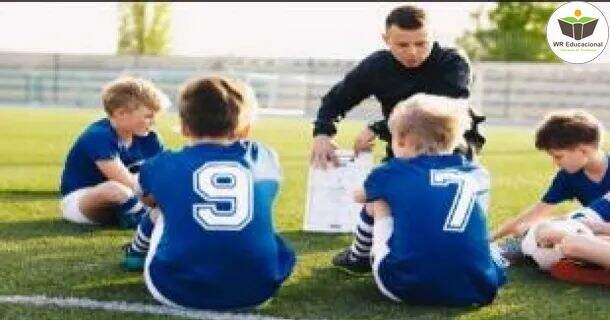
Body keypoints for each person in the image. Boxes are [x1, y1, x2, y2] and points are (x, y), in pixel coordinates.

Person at [122, 76, 296, 311]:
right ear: (240, 123)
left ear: (184, 126)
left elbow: (147, 200)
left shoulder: (161, 164)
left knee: (159, 209)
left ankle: (135, 254)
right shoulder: (264, 156)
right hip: (258, 291)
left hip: (176, 290)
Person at [350, 93, 505, 306]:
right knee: (482, 238)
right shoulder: (478, 173)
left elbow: (359, 196)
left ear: (401, 139)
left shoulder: (389, 172)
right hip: (480, 289)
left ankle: (357, 256)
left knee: (377, 201)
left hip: (405, 287)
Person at [311, 4, 484, 170]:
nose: (412, 52)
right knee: (377, 194)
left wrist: (376, 128)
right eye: (403, 45)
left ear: (433, 36)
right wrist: (322, 134)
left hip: (451, 149)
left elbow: (438, 113)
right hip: (403, 148)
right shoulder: (377, 66)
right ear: (386, 40)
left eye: (421, 43)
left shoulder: (452, 62)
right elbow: (335, 101)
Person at [59, 76, 169, 228]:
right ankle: (145, 221)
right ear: (121, 113)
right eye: (148, 116)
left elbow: (163, 173)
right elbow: (126, 182)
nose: (153, 122)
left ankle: (138, 215)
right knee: (115, 189)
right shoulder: (99, 135)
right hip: (84, 200)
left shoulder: (150, 138)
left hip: (133, 198)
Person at [492, 110, 610, 243]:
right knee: (530, 228)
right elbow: (535, 214)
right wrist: (490, 239)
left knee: (554, 228)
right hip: (593, 233)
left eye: (558, 156)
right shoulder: (568, 177)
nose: (555, 163)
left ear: (583, 151)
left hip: (598, 233)